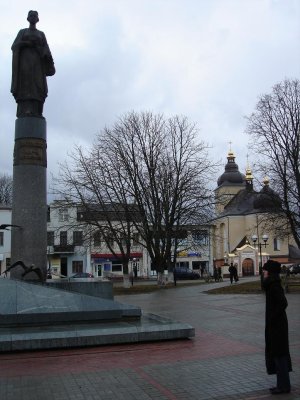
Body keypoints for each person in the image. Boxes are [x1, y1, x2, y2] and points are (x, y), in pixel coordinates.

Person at [11, 10, 55, 118]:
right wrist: (26, 43)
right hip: (25, 64)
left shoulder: (41, 34)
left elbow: (46, 49)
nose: (33, 17)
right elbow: (14, 46)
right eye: (31, 15)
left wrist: (45, 54)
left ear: (37, 19)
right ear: (28, 18)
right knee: (26, 87)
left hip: (38, 65)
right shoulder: (22, 32)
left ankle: (37, 112)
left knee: (38, 86)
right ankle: (25, 110)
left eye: (35, 16)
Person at [262, 260, 292, 395]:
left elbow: (283, 303)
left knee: (280, 356)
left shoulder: (274, 286)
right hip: (276, 325)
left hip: (278, 326)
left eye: (265, 271)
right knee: (277, 355)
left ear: (270, 272)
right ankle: (281, 385)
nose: (263, 273)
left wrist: (273, 318)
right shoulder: (272, 285)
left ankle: (284, 386)